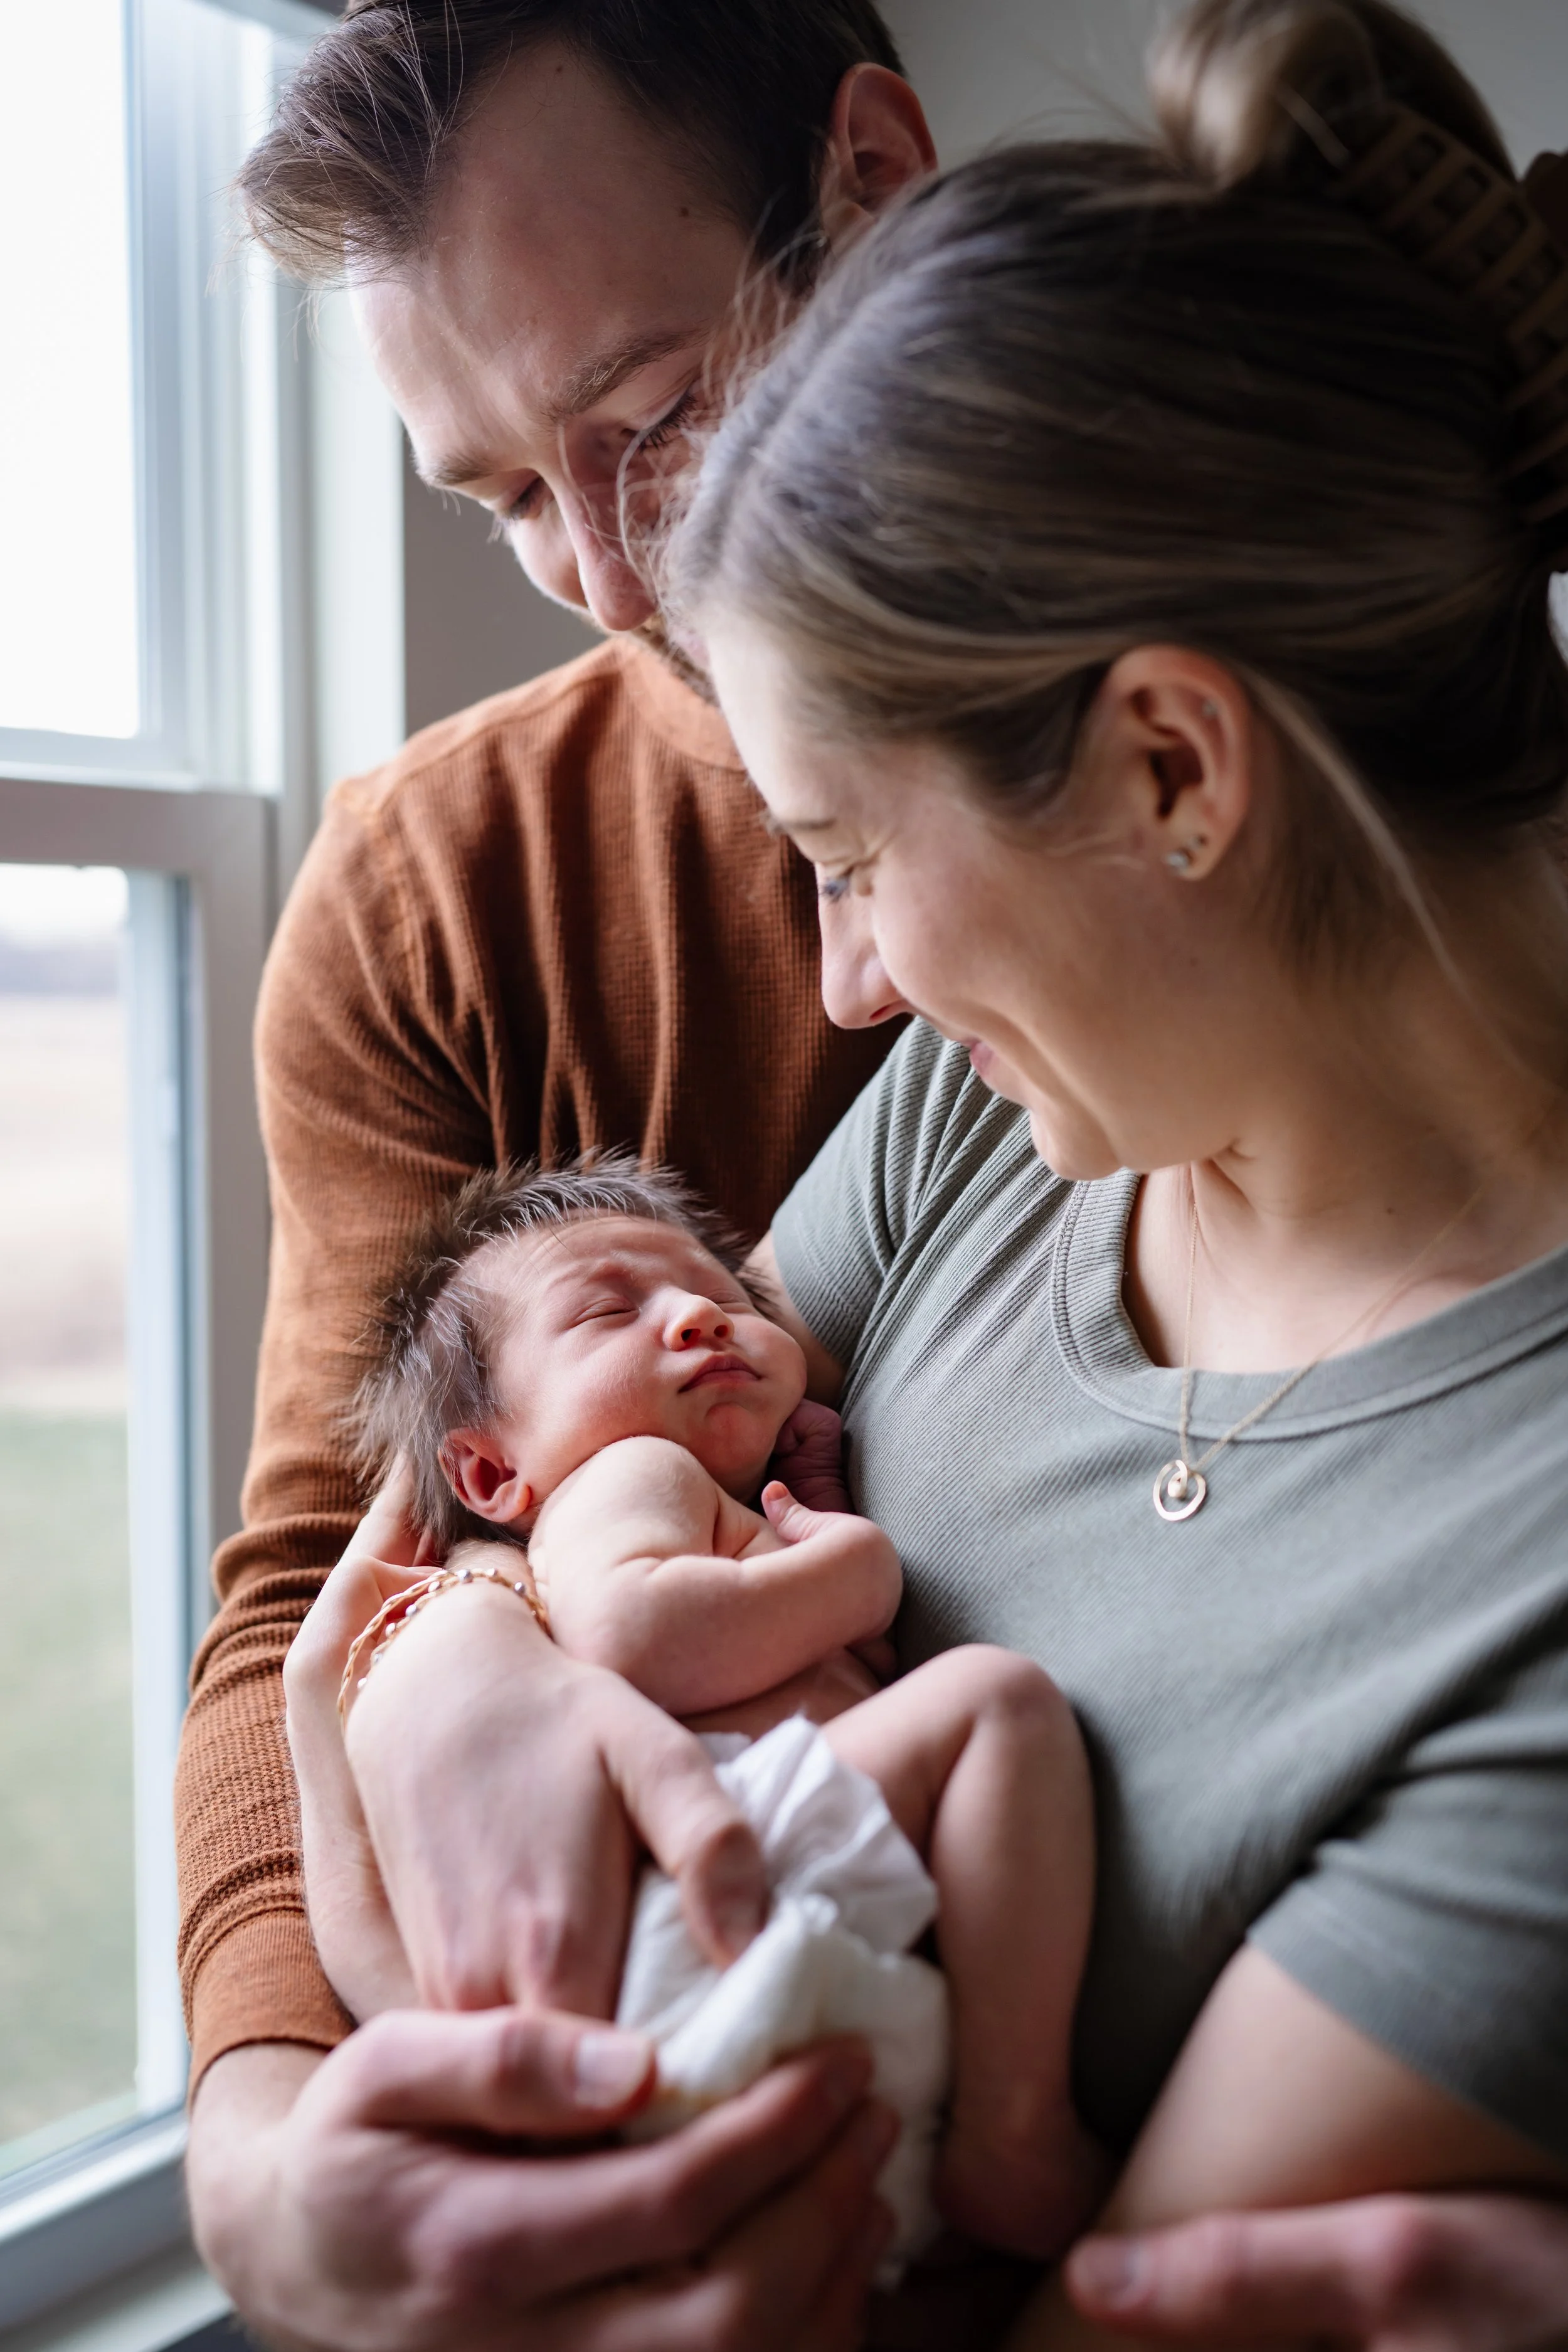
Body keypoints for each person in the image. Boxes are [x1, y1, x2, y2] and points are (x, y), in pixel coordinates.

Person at [183, 4, 1568, 2348]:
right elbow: (406, 1531)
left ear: (1170, 770)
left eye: (648, 425)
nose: (618, 583)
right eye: (508, 496)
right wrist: (442, 1712)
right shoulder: (974, 1109)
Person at [307, 1155, 1100, 2261]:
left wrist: (807, 1508)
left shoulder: (698, 1500)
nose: (695, 1317)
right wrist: (855, 1568)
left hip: (736, 1907)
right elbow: (641, 1633)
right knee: (997, 1705)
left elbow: (796, 1648)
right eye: (607, 1311)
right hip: (715, 1872)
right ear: (490, 1477)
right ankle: (1013, 2130)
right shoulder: (621, 1475)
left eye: (727, 1300)